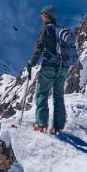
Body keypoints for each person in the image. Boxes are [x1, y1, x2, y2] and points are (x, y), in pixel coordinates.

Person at [26, 7, 68, 135]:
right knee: (58, 96)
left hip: (49, 67)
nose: (41, 17)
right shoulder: (60, 30)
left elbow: (39, 47)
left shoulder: (46, 29)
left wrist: (31, 63)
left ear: (46, 15)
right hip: (63, 68)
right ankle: (57, 127)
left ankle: (41, 124)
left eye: (42, 14)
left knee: (42, 94)